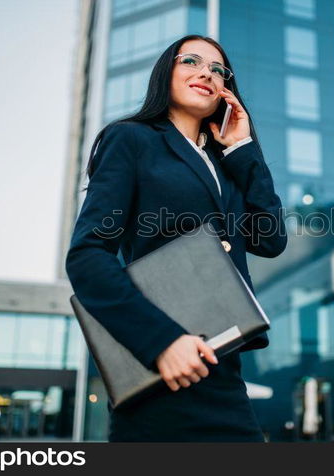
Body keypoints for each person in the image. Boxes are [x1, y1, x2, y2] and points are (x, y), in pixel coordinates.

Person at [65, 34, 287, 442]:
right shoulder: (131, 139)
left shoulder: (226, 166)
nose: (206, 72)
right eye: (191, 62)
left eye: (218, 70)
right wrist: (161, 342)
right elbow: (87, 256)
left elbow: (271, 240)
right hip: (161, 373)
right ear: (165, 72)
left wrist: (243, 148)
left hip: (224, 373)